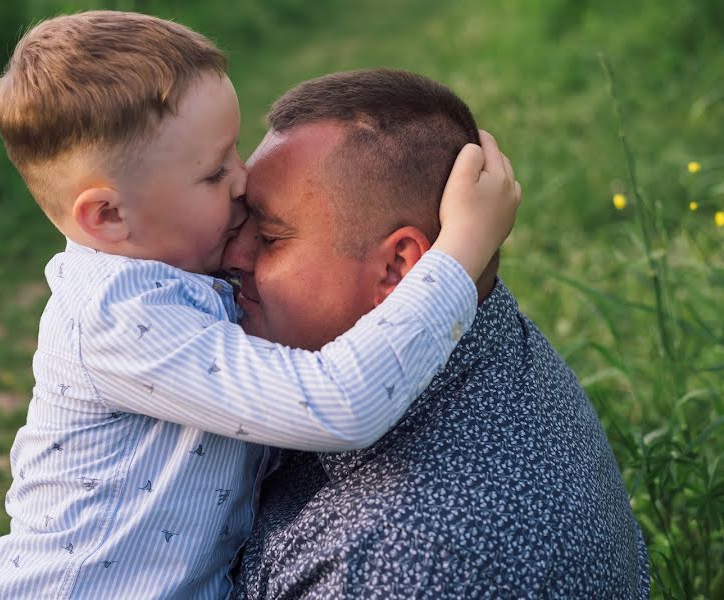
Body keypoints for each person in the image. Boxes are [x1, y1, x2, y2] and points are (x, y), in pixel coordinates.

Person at [0, 11, 520, 600]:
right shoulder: (121, 313)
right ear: (109, 216)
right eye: (213, 170)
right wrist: (459, 252)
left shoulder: (171, 271)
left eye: (234, 152)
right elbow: (335, 404)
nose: (242, 178)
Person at [223, 69, 650, 598]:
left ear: (402, 271)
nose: (230, 256)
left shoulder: (396, 557)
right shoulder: (482, 340)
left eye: (268, 237)